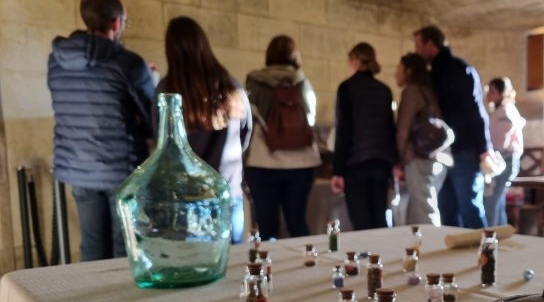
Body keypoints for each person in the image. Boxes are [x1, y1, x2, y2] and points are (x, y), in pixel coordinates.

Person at [47, 0, 155, 261]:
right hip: (122, 169)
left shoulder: (56, 61)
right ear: (116, 22)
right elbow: (154, 118)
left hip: (77, 166)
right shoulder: (128, 63)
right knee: (126, 251)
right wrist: (150, 81)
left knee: (92, 249)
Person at [155, 16, 252, 244]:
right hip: (227, 185)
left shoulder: (167, 90)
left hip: (185, 192)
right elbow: (246, 134)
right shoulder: (232, 86)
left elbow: (161, 142)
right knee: (233, 261)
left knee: (193, 264)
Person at [414, 25, 491, 229]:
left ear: (430, 45)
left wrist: (484, 149)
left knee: (470, 210)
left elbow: (475, 111)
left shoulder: (460, 69)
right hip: (443, 152)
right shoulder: (432, 74)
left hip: (464, 149)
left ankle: (486, 257)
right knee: (447, 211)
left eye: (418, 45)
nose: (416, 51)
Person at [245, 35, 320, 240]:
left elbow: (247, 120)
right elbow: (311, 117)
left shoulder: (254, 81)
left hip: (263, 161)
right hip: (301, 162)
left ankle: (269, 270)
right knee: (297, 222)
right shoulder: (302, 81)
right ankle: (306, 267)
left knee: (267, 226)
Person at [332, 43, 396, 230]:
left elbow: (344, 131)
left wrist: (338, 170)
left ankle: (368, 258)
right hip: (381, 162)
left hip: (356, 163)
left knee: (361, 221)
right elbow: (390, 129)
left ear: (355, 60)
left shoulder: (346, 88)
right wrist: (393, 164)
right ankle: (383, 257)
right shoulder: (384, 90)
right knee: (379, 218)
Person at [394, 53, 450, 226]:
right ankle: (418, 249)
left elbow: (403, 130)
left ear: (408, 71)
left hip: (419, 158)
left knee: (424, 211)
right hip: (438, 157)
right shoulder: (428, 91)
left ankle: (431, 248)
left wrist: (399, 161)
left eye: (399, 68)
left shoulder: (411, 92)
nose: (396, 73)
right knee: (422, 208)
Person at [484, 77, 525, 227]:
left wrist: (490, 154)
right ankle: (500, 234)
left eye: (492, 91)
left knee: (491, 201)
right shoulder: (499, 111)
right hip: (502, 158)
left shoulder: (504, 112)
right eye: (488, 91)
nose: (488, 95)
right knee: (497, 201)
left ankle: (490, 235)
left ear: (502, 93)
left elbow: (500, 140)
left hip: (504, 160)